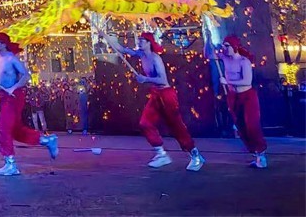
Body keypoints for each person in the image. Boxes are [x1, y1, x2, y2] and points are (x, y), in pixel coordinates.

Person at [102, 30, 205, 171]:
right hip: (156, 94)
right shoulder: (141, 54)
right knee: (145, 123)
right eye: (139, 40)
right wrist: (106, 37)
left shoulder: (156, 59)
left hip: (166, 95)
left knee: (176, 126)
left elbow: (162, 80)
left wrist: (145, 79)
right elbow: (122, 49)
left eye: (142, 41)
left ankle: (195, 155)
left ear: (149, 43)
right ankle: (161, 154)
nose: (139, 42)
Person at [0, 33, 58, 176]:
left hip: (13, 97)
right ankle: (46, 140)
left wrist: (13, 88)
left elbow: (26, 75)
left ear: (4, 44)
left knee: (4, 128)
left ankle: (11, 164)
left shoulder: (12, 59)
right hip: (3, 96)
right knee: (16, 131)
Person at [218, 35, 267, 168]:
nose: (224, 48)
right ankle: (255, 152)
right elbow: (209, 54)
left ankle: (261, 153)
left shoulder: (244, 62)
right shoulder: (224, 58)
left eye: (227, 46)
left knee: (252, 124)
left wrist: (227, 82)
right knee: (240, 126)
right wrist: (208, 37)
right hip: (234, 97)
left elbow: (247, 81)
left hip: (247, 96)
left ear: (234, 47)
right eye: (223, 46)